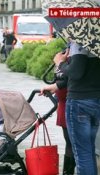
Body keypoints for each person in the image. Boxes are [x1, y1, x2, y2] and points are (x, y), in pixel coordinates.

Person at [40, 41, 100, 175]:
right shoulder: (96, 38)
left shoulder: (81, 38)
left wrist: (60, 63)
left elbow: (76, 72)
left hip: (80, 102)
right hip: (96, 100)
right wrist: (57, 86)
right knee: (90, 150)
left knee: (83, 153)